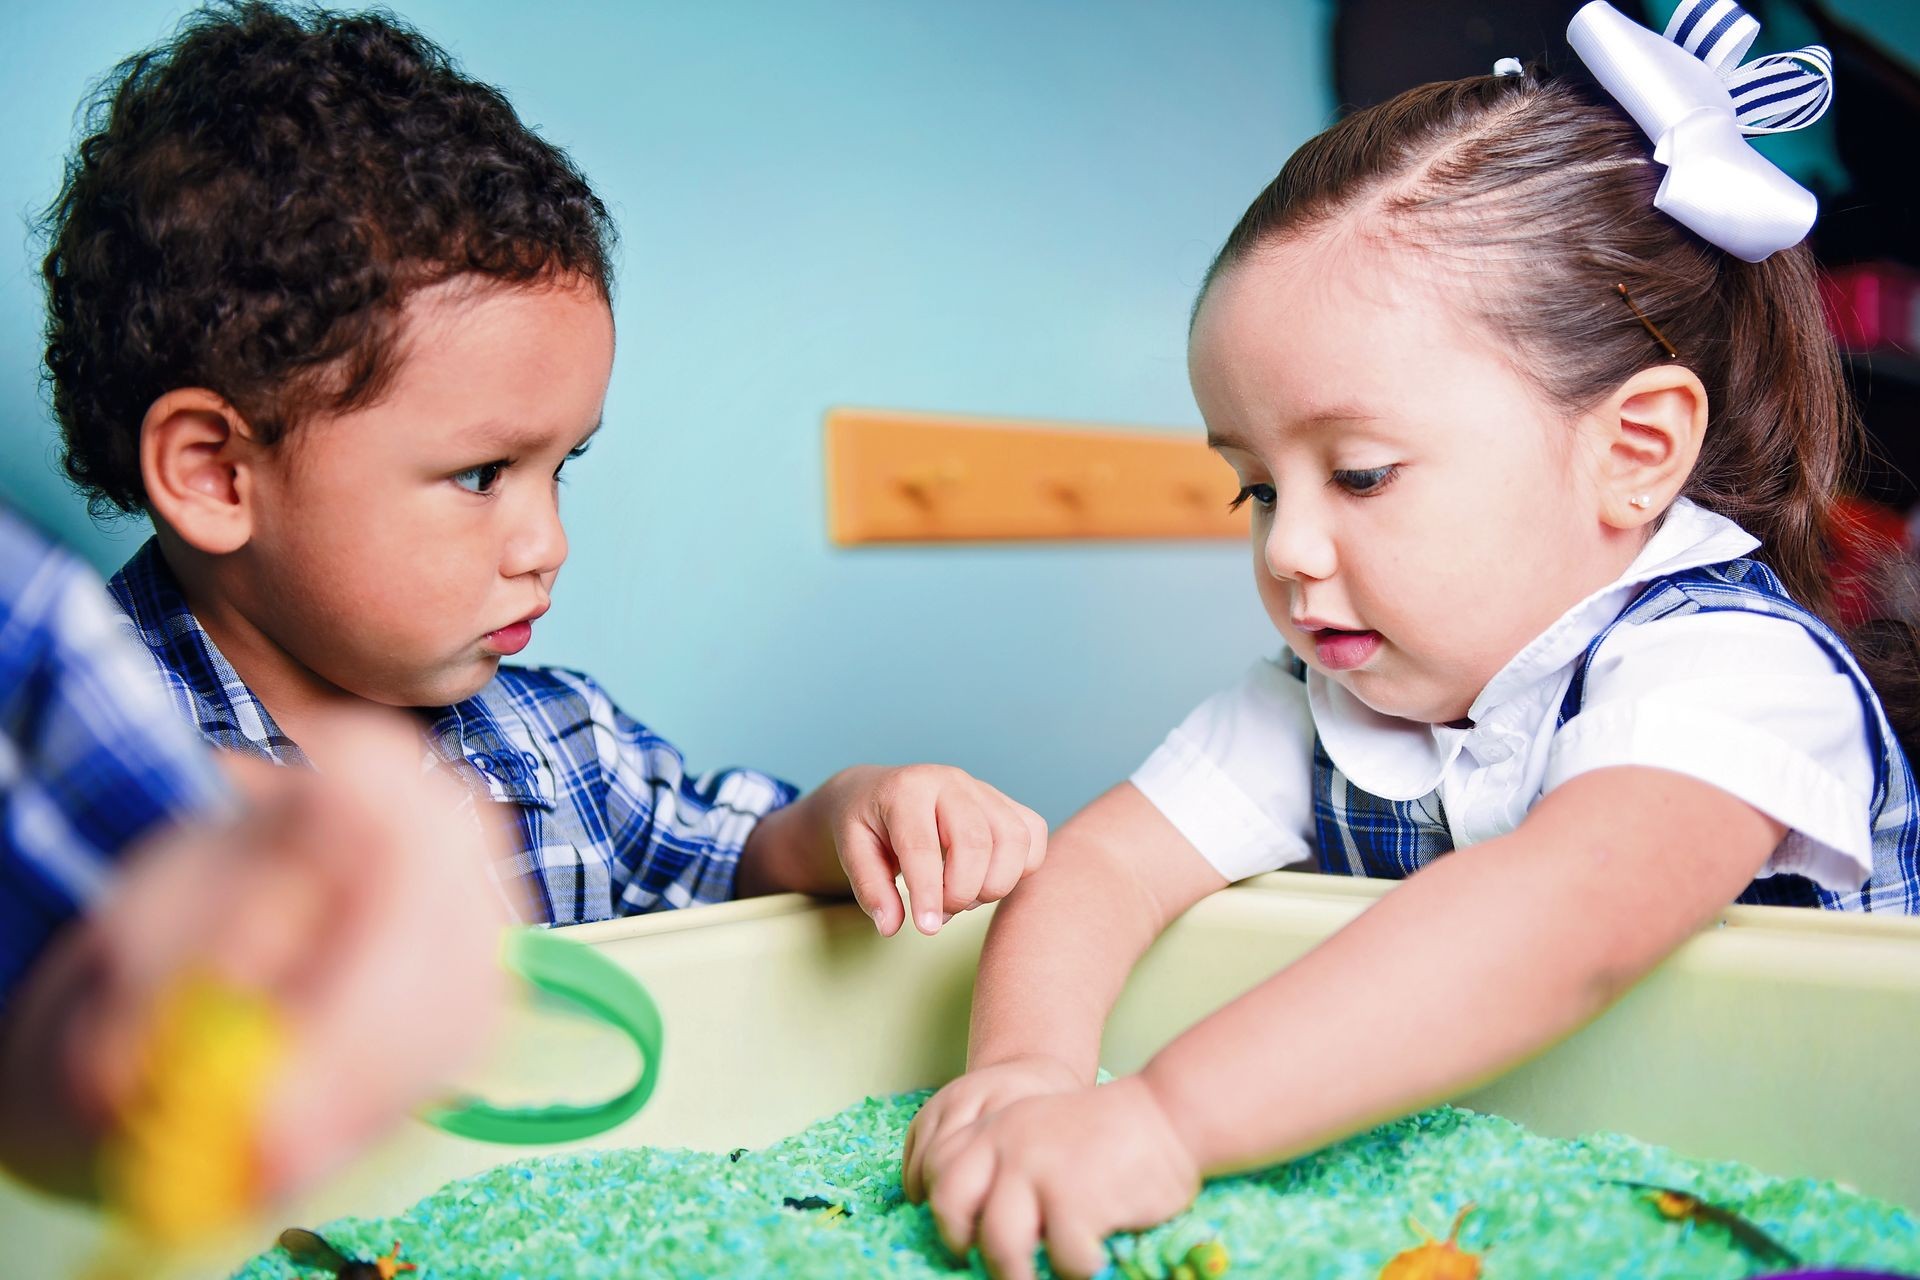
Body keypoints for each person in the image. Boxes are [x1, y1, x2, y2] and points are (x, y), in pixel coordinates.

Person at [904, 5, 1919, 1275]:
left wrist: (1166, 1113)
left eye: (1364, 475)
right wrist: (1023, 1072)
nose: (1287, 550)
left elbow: (1565, 915)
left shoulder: (1739, 675)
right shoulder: (1331, 699)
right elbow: (1099, 867)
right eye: (1257, 487)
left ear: (1636, 449)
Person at [41, 2, 1046, 938]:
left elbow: (740, 856)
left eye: (562, 466)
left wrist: (861, 809)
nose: (547, 544)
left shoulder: (558, 740)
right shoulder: (69, 776)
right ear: (218, 473)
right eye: (482, 474)